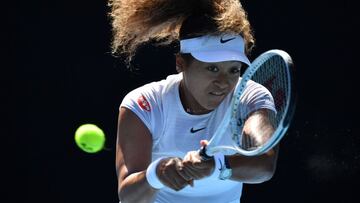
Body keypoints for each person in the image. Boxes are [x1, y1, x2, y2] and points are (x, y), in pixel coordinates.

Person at [109, 0, 279, 202]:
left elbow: (264, 166)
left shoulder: (250, 96)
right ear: (181, 63)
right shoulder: (145, 104)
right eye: (212, 68)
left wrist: (215, 165)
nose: (223, 83)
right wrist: (157, 174)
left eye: (233, 70)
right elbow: (128, 196)